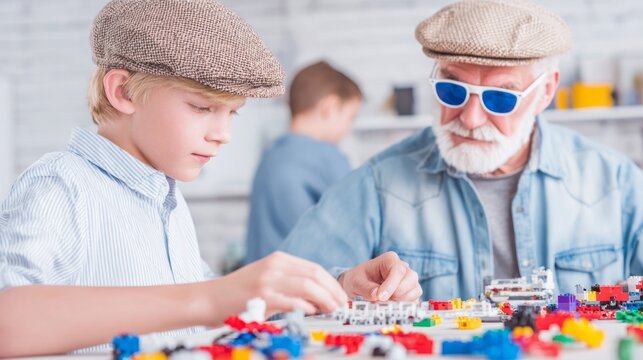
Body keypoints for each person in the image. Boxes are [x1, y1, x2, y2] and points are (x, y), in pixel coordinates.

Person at [0, 1, 420, 356]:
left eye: (231, 112)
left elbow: (217, 304)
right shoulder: (60, 186)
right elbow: (8, 322)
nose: (223, 133)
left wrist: (337, 285)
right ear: (123, 92)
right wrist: (209, 298)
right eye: (202, 108)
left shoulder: (165, 199)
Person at [279, 0, 643, 301]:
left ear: (546, 92)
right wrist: (343, 285)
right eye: (452, 90)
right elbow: (276, 294)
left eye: (500, 98)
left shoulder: (616, 182)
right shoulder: (378, 184)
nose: (469, 119)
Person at [244, 61, 361, 264]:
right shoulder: (329, 158)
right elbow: (355, 233)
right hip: (307, 286)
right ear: (330, 107)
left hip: (261, 287)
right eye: (350, 117)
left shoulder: (270, 157)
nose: (348, 128)